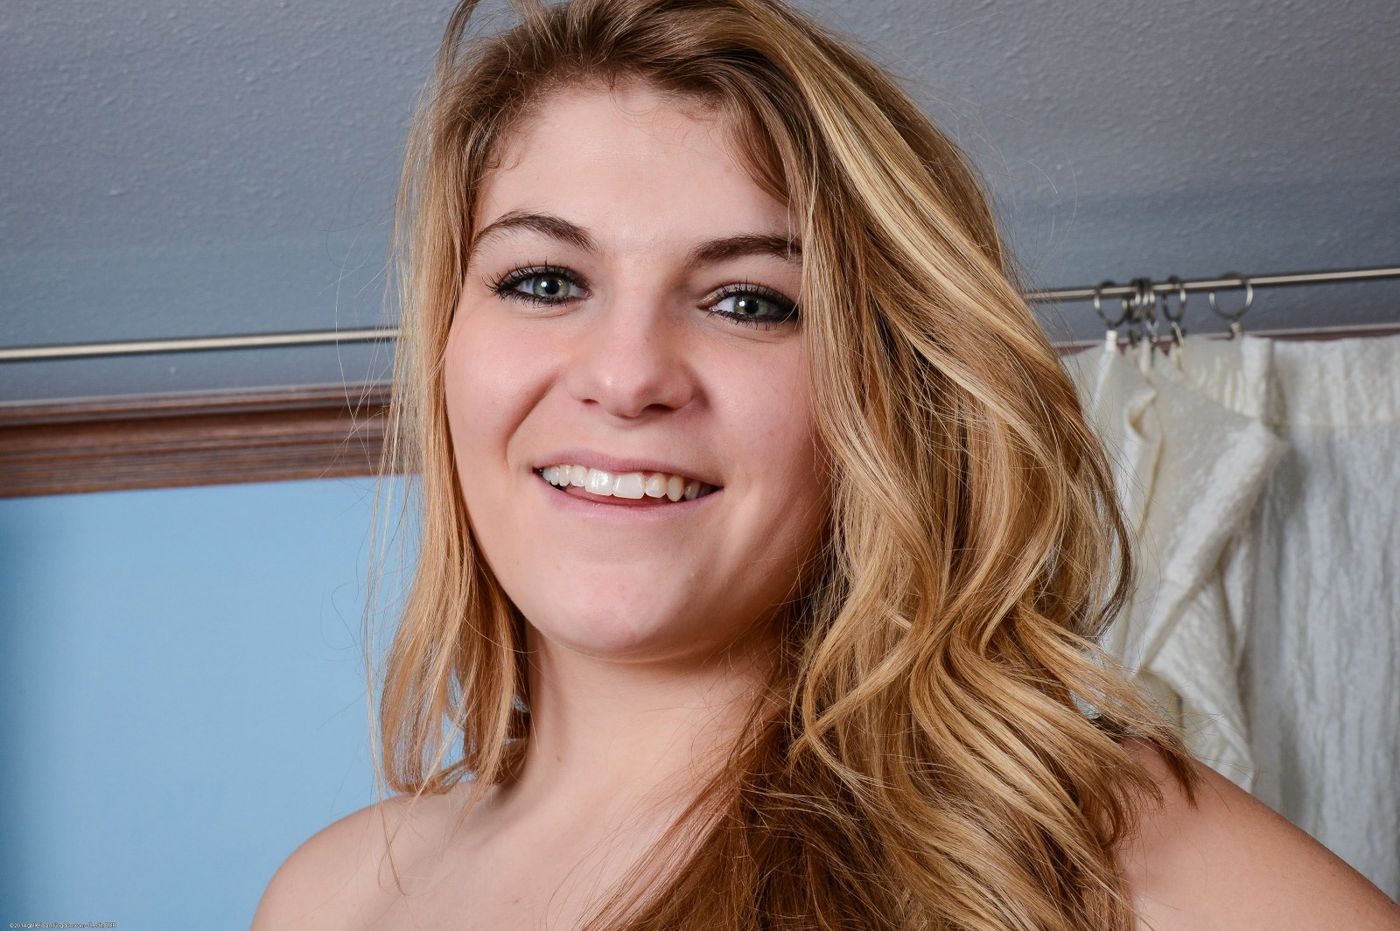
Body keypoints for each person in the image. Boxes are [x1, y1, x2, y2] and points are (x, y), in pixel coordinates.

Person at [252, 0, 1400, 928]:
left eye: (747, 300)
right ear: (446, 350)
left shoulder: (1079, 839)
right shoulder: (329, 899)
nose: (627, 373)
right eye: (545, 282)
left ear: (878, 397)